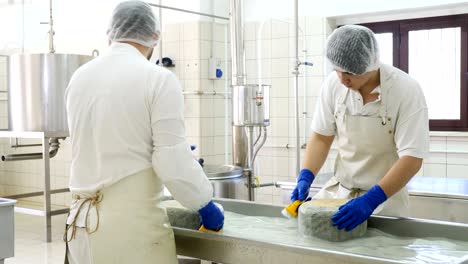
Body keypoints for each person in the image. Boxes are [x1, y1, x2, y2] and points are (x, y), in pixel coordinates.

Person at [63, 1, 223, 263]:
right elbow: (172, 162)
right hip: (129, 233)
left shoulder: (79, 77)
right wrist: (205, 204)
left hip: (81, 226)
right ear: (155, 37)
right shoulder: (159, 79)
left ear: (110, 34)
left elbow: (101, 142)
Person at [290, 25, 429, 231]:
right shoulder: (333, 85)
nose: (342, 79)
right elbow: (321, 136)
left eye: (349, 73)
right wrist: (306, 175)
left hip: (384, 200)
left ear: (370, 65)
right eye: (337, 70)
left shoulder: (405, 90)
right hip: (340, 194)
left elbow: (412, 159)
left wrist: (372, 199)